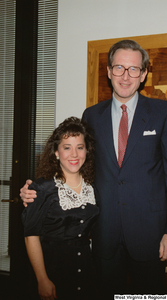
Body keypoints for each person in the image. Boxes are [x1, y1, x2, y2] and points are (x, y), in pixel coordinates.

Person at [20, 40, 167, 297]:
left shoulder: (163, 112)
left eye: (133, 69)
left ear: (143, 75)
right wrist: (36, 189)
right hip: (103, 234)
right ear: (109, 71)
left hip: (151, 236)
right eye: (119, 67)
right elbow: (74, 162)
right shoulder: (91, 115)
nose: (125, 75)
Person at [21, 117, 99, 300]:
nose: (74, 154)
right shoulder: (41, 188)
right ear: (56, 152)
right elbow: (30, 236)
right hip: (52, 272)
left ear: (87, 151)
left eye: (80, 147)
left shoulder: (93, 187)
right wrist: (42, 279)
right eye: (67, 147)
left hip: (87, 271)